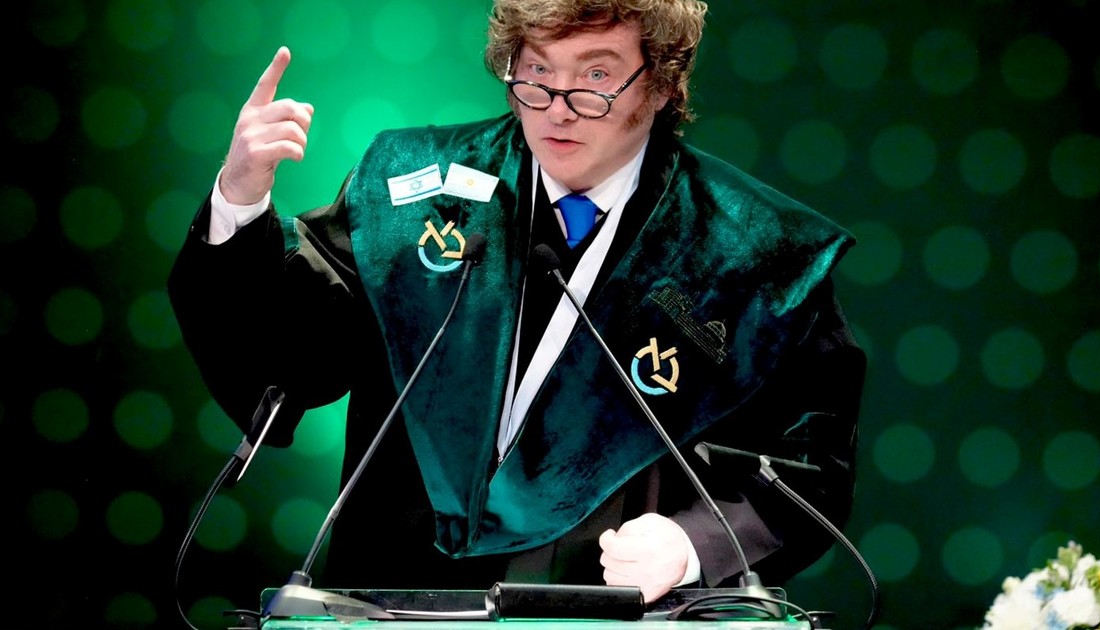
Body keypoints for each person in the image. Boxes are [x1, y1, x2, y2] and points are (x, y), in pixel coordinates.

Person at [168, 0, 866, 606]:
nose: (558, 107)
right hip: (392, 601)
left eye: (596, 76)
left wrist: (692, 545)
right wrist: (241, 197)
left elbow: (809, 471)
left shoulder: (754, 253)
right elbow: (292, 358)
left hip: (613, 609)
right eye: (536, 71)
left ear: (660, 82)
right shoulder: (409, 191)